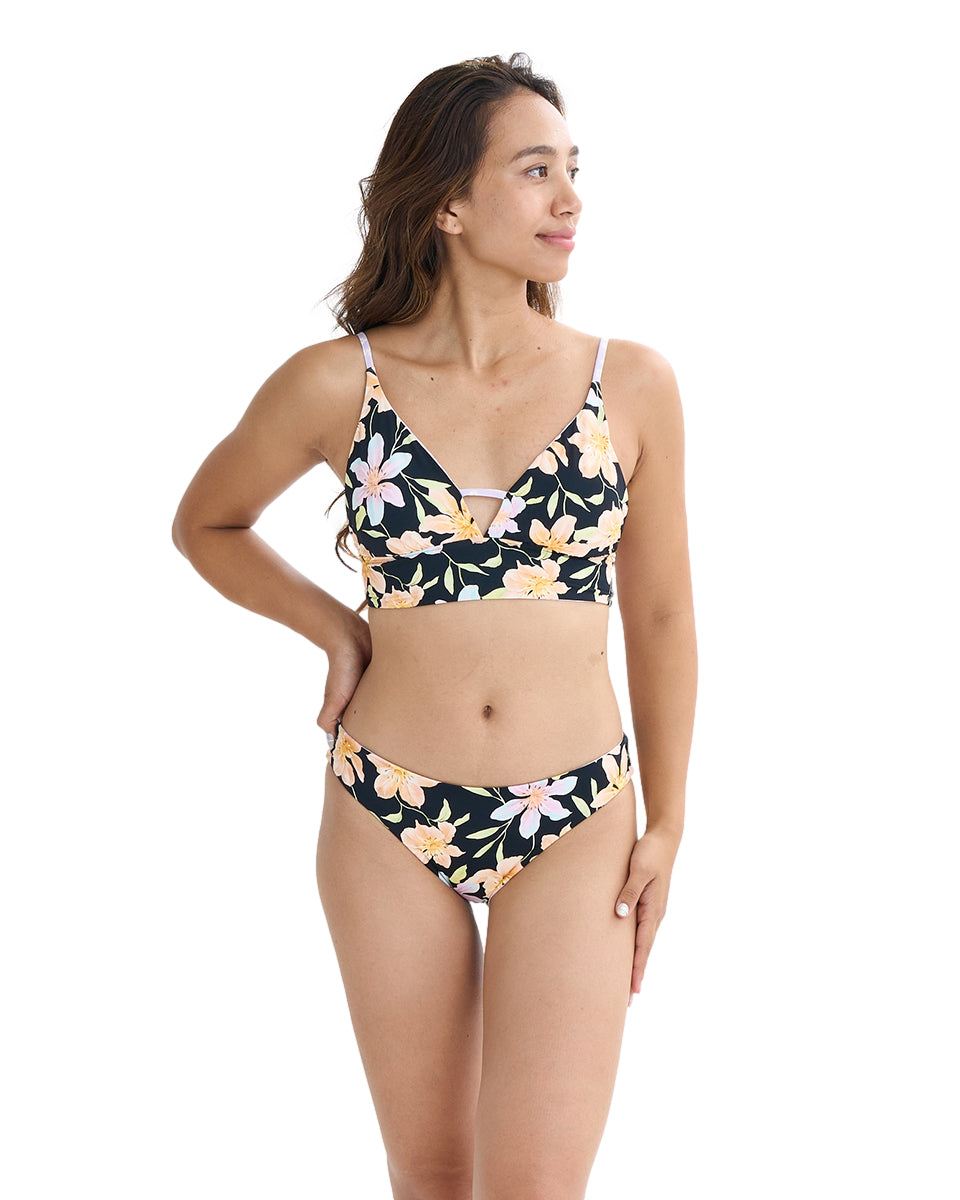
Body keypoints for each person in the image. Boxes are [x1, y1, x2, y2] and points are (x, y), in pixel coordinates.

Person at [172, 51, 697, 1200]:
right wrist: (335, 630)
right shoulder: (334, 384)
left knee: (535, 1187)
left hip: (576, 817)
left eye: (574, 169)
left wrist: (667, 821)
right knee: (430, 1174)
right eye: (535, 170)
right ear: (449, 203)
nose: (570, 198)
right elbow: (207, 523)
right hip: (386, 809)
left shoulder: (632, 384)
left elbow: (661, 613)